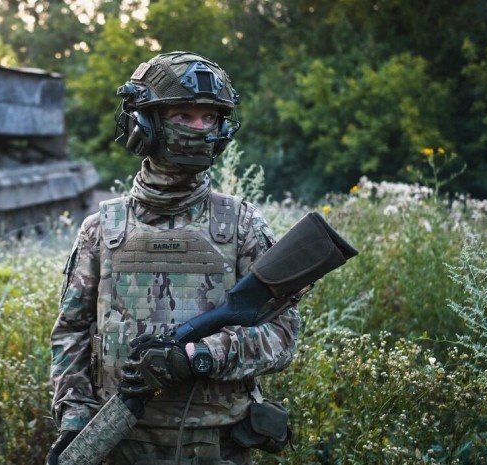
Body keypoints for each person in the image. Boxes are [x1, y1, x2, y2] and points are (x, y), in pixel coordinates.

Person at [48, 51, 300, 465]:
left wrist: (198, 356)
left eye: (210, 118)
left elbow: (283, 335)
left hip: (219, 444)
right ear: (144, 124)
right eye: (183, 115)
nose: (200, 129)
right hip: (119, 439)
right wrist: (76, 420)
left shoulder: (239, 224)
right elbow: (71, 334)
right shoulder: (102, 228)